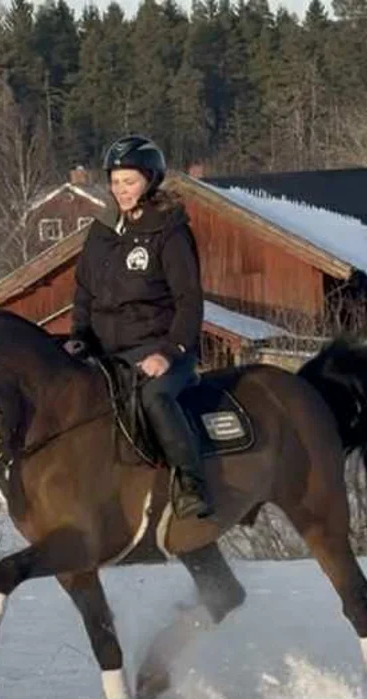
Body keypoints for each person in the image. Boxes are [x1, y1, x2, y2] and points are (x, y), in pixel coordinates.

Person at [63, 135, 213, 520]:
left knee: (153, 399)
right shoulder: (101, 231)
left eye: (129, 182)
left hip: (159, 351)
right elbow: (83, 292)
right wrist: (78, 336)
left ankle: (190, 483)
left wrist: (169, 352)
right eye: (115, 182)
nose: (121, 190)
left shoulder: (170, 231)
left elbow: (189, 301)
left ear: (150, 180)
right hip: (105, 353)